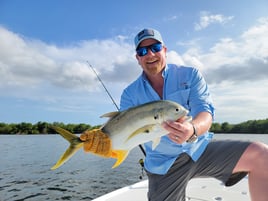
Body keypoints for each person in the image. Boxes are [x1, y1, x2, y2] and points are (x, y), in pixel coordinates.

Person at [119, 28, 268, 201]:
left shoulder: (190, 75)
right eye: (142, 51)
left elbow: (205, 111)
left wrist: (192, 129)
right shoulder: (129, 94)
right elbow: (123, 131)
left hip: (199, 149)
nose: (150, 54)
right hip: (163, 163)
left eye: (155, 47)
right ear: (138, 58)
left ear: (165, 50)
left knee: (261, 155)